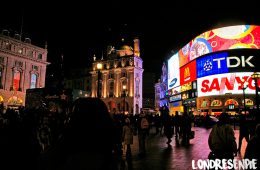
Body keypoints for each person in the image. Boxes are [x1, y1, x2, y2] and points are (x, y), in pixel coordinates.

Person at [37, 97, 117, 170]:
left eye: (71, 115)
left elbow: (46, 162)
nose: (68, 118)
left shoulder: (68, 147)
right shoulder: (106, 149)